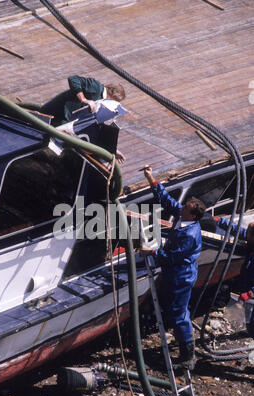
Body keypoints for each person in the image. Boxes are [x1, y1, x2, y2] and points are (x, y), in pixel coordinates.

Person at [139, 166, 206, 370]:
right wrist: (152, 180)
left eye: (185, 207)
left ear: (192, 215)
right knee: (175, 309)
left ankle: (188, 357)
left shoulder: (189, 234)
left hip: (181, 276)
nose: (181, 208)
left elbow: (172, 258)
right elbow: (168, 202)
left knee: (179, 313)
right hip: (176, 273)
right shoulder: (184, 217)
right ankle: (182, 343)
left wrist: (151, 252)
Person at [40, 75, 126, 163]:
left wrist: (112, 150)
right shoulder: (96, 87)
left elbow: (96, 127)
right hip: (56, 117)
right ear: (113, 95)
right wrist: (84, 99)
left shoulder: (101, 103)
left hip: (65, 125)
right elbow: (73, 79)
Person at [215, 217, 254, 339]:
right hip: (248, 284)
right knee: (249, 313)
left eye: (248, 235)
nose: (245, 237)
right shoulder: (251, 239)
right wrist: (220, 221)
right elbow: (239, 231)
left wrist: (250, 293)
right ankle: (251, 331)